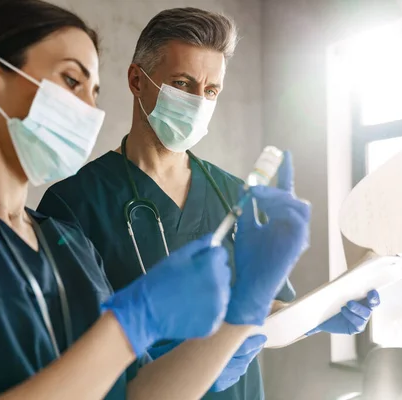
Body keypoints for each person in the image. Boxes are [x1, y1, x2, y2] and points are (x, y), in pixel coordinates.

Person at [0, 1, 312, 399]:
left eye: (93, 89)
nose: (88, 108)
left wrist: (242, 316)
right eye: (71, 80)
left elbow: (138, 393)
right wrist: (131, 324)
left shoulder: (63, 244)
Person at [38, 7, 380, 400]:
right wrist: (191, 361)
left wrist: (320, 315)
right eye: (183, 84)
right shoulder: (74, 204)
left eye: (211, 90)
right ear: (137, 80)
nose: (198, 102)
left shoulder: (233, 194)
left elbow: (266, 308)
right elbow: (72, 353)